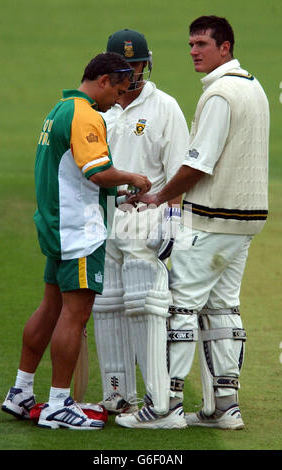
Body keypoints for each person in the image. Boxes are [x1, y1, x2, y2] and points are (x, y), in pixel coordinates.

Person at [122, 15, 269, 430]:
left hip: (213, 217)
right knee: (222, 308)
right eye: (190, 44)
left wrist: (158, 195)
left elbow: (199, 163)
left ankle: (166, 406)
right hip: (245, 218)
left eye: (202, 44)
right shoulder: (252, 86)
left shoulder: (220, 95)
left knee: (180, 306)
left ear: (225, 47)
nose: (193, 51)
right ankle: (224, 407)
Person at [1, 52, 151, 431]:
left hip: (56, 224)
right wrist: (135, 179)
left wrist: (118, 195)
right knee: (75, 314)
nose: (118, 100)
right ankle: (57, 404)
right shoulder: (86, 115)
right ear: (102, 80)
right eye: (117, 90)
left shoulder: (59, 109)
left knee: (50, 307)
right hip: (78, 232)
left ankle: (20, 391)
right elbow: (97, 172)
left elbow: (73, 175)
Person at [92, 29, 190, 428]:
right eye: (122, 66)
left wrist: (172, 225)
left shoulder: (165, 107)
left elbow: (180, 173)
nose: (130, 73)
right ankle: (118, 395)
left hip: (146, 220)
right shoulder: (100, 110)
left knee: (145, 308)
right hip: (105, 222)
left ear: (146, 64)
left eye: (136, 65)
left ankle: (161, 403)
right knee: (107, 306)